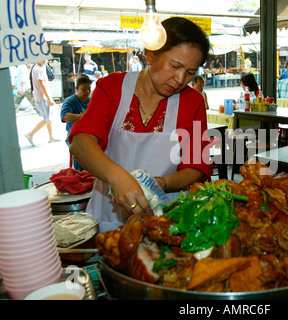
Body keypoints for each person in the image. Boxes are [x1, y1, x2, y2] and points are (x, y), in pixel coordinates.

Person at [68, 17, 212, 232]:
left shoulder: (193, 101)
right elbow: (81, 141)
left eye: (191, 73)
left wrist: (158, 184)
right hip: (109, 214)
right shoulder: (112, 87)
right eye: (175, 66)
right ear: (150, 55)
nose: (180, 79)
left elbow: (197, 165)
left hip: (166, 215)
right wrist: (117, 177)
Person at [60, 74, 92, 171]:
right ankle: (80, 176)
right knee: (79, 153)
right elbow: (64, 117)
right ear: (77, 88)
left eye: (89, 89)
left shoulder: (92, 100)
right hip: (74, 137)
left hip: (91, 136)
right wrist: (83, 117)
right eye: (83, 89)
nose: (87, 92)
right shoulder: (70, 101)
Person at [24, 60, 58, 146]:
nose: (45, 61)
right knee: (47, 119)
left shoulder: (40, 67)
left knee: (49, 118)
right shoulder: (38, 69)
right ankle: (30, 134)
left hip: (42, 97)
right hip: (42, 97)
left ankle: (51, 137)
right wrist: (49, 98)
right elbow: (41, 84)